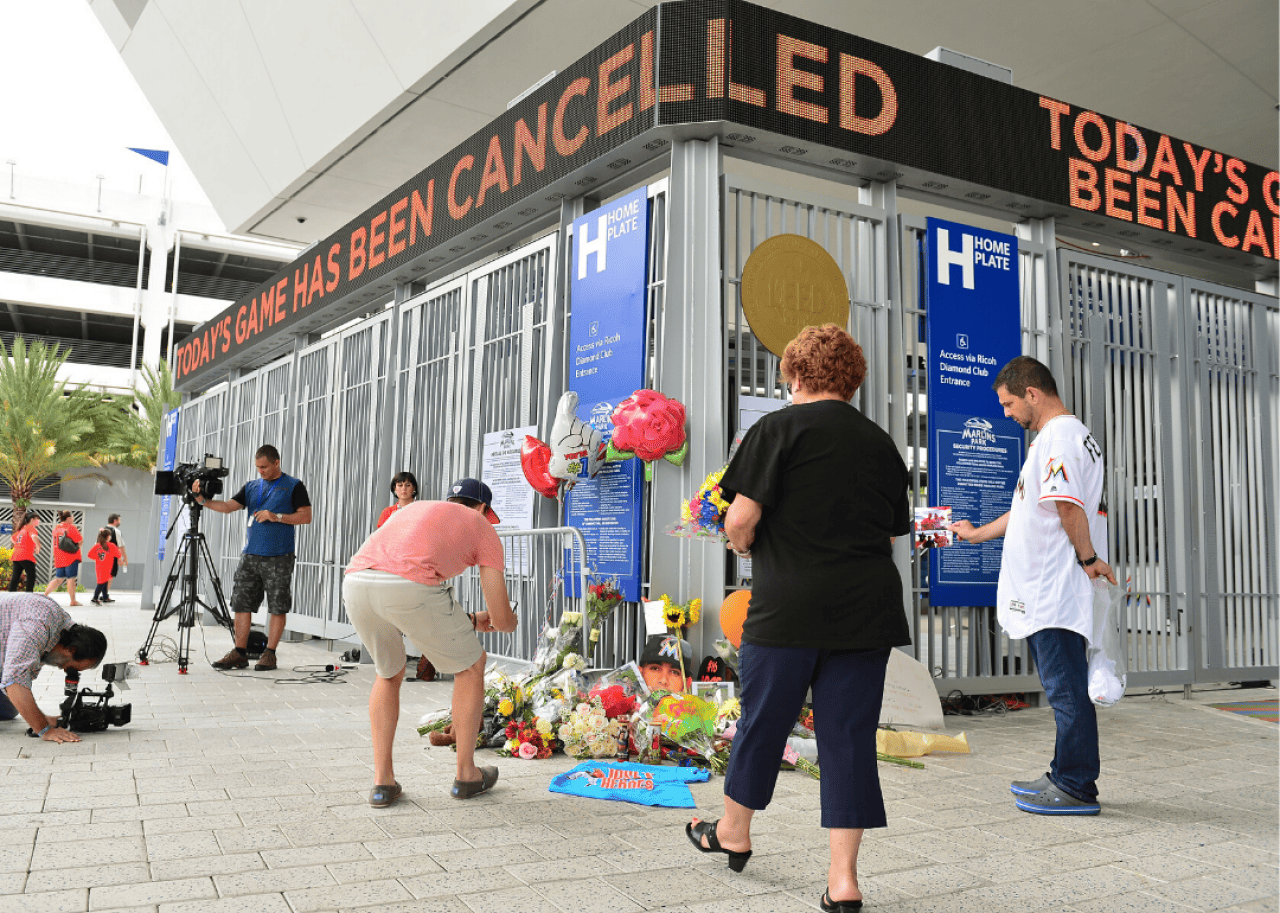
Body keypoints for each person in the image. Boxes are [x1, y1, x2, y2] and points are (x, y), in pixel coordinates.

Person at [686, 323, 910, 912]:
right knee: (849, 739)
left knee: (763, 722)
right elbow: (891, 532)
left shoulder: (776, 429)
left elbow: (740, 519)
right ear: (851, 380)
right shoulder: (881, 444)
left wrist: (741, 543)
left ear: (795, 374)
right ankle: (844, 882)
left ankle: (733, 832)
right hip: (866, 611)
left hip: (789, 607)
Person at [950, 356, 1115, 816]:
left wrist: (1088, 560)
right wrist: (976, 534)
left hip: (1053, 590)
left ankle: (1076, 786)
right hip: (1049, 589)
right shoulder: (1062, 438)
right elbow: (1030, 509)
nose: (1007, 414)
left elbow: (1067, 506)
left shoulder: (1059, 437)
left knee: (1065, 690)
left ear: (1032, 394)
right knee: (1064, 687)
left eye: (1008, 404)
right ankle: (1064, 771)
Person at [343, 477, 517, 807]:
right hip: (409, 587)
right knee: (471, 666)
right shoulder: (481, 525)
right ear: (483, 508)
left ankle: (382, 783)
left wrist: (469, 621)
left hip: (356, 582)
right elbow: (499, 613)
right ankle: (467, 775)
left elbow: (406, 590)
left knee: (388, 673)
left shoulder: (416, 509)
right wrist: (506, 621)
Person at [194, 444, 312, 672]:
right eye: (258, 467)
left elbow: (306, 516)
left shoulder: (294, 485)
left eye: (264, 467)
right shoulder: (251, 486)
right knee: (241, 603)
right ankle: (239, 652)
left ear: (276, 463)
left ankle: (270, 654)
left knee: (277, 606)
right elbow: (228, 506)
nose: (261, 471)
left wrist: (277, 516)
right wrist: (202, 500)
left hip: (279, 556)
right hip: (250, 555)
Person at [0, 592, 108, 743]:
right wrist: (44, 729)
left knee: (8, 710)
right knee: (14, 694)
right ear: (71, 649)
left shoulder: (61, 626)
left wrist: (40, 717)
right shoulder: (35, 628)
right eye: (70, 667)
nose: (64, 670)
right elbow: (14, 681)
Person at [44, 511, 83, 606]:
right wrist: (76, 548)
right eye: (72, 517)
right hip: (70, 557)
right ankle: (73, 601)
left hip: (59, 557)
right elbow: (80, 541)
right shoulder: (71, 527)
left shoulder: (56, 528)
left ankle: (44, 595)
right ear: (68, 518)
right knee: (71, 578)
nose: (73, 519)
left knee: (59, 579)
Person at [99, 514, 129, 603]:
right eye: (119, 520)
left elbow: (97, 544)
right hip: (111, 558)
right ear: (115, 521)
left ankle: (103, 594)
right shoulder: (116, 531)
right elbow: (121, 546)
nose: (120, 522)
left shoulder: (102, 530)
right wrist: (124, 558)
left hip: (101, 557)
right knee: (109, 576)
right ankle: (104, 596)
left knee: (103, 576)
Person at [88, 529, 122, 606]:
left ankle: (105, 597)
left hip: (99, 566)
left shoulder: (97, 545)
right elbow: (118, 554)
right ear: (108, 537)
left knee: (104, 581)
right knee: (101, 582)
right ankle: (95, 598)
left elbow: (89, 554)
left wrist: (97, 558)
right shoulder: (111, 545)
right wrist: (120, 560)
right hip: (108, 567)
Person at [7, 513, 39, 592]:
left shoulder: (22, 529)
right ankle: (29, 594)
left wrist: (20, 545)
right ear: (32, 520)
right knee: (31, 576)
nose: (39, 521)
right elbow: (34, 536)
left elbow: (12, 538)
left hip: (16, 555)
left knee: (16, 576)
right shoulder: (31, 528)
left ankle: (11, 593)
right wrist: (38, 547)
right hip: (25, 556)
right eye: (37, 519)